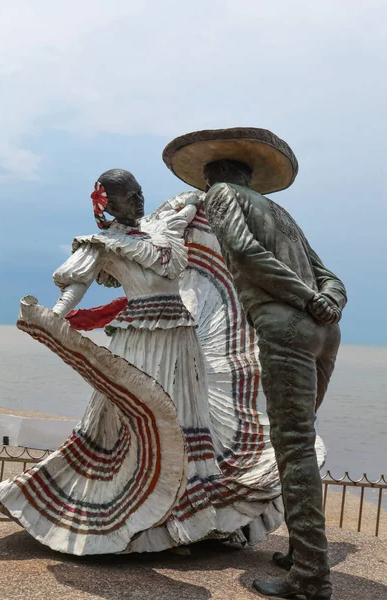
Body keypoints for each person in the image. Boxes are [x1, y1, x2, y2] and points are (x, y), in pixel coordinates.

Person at [0, 167, 288, 555]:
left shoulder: (162, 229)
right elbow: (76, 286)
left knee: (187, 422)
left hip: (182, 339)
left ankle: (189, 523)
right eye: (130, 197)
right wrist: (53, 318)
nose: (139, 201)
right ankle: (145, 527)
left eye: (140, 193)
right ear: (109, 205)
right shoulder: (100, 243)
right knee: (134, 423)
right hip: (138, 343)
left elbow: (190, 203)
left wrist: (216, 187)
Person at [162, 128, 347, 599]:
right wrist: (328, 300)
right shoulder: (281, 213)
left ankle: (310, 578)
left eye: (207, 178)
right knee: (299, 440)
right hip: (325, 332)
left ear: (220, 175)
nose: (206, 188)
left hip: (286, 325)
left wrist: (306, 297)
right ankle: (308, 553)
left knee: (295, 445)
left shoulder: (223, 196)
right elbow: (330, 275)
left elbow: (244, 251)